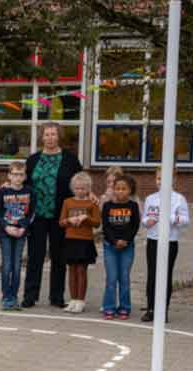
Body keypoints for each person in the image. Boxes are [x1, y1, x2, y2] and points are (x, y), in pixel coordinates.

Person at [23, 123, 84, 309]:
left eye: (53, 134)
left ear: (59, 137)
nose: (50, 138)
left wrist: (90, 195)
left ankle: (56, 296)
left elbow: (81, 182)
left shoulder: (70, 159)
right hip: (37, 215)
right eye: (47, 134)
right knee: (35, 256)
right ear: (42, 137)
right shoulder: (33, 160)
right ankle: (30, 295)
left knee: (59, 256)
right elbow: (22, 182)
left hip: (60, 215)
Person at [140, 171, 189, 323]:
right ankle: (151, 309)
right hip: (153, 240)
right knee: (152, 275)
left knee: (165, 275)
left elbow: (185, 221)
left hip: (170, 241)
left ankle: (163, 310)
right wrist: (147, 222)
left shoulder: (179, 199)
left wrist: (171, 217)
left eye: (165, 178)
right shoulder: (150, 198)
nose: (161, 181)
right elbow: (145, 218)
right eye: (159, 178)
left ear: (173, 180)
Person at [0, 162, 33, 311]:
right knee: (7, 265)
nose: (17, 177)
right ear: (9, 175)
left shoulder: (29, 192)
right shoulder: (3, 192)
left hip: (21, 233)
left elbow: (31, 213)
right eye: (15, 174)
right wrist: (6, 226)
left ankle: (14, 297)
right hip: (5, 233)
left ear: (25, 176)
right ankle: (6, 297)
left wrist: (23, 226)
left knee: (17, 266)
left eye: (21, 174)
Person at [60, 171, 100, 314]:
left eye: (83, 188)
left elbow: (97, 223)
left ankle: (81, 300)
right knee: (71, 270)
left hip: (85, 241)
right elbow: (61, 222)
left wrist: (86, 218)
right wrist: (69, 221)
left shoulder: (92, 203)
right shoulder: (67, 202)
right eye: (77, 188)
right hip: (70, 239)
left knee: (81, 270)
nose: (80, 191)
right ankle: (73, 299)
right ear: (73, 188)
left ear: (88, 188)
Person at [99, 174, 139, 319]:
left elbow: (135, 226)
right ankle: (109, 307)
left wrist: (126, 240)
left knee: (124, 278)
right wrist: (115, 241)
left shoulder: (133, 206)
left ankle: (124, 307)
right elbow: (106, 227)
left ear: (130, 190)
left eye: (124, 189)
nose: (120, 191)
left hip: (127, 247)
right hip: (110, 246)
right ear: (113, 190)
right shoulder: (107, 206)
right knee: (111, 278)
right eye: (117, 188)